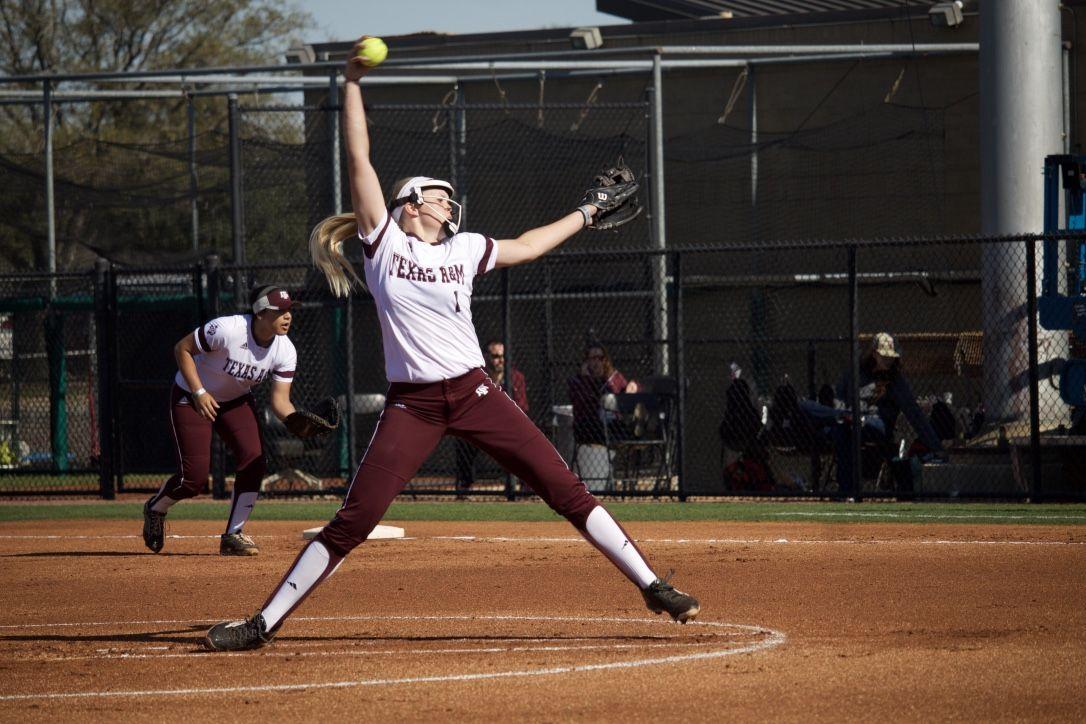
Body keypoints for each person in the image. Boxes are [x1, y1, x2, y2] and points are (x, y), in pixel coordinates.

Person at [203, 38, 698, 651]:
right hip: (412, 403)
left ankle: (652, 584)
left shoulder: (464, 250)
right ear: (411, 205)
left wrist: (589, 212)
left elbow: (530, 244)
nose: (447, 202)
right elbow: (358, 160)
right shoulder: (384, 243)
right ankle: (262, 624)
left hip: (474, 391)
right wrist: (352, 82)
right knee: (355, 520)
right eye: (437, 195)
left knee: (564, 488)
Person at [141, 285, 299, 556]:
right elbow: (182, 349)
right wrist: (199, 391)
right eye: (279, 311)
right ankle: (156, 507)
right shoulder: (229, 329)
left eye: (289, 310)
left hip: (235, 400)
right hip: (192, 396)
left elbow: (280, 402)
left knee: (254, 460)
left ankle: (233, 535)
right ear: (260, 313)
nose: (287, 316)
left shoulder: (285, 350)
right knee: (194, 480)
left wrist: (299, 422)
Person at [827, 332, 945, 498]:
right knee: (841, 430)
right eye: (884, 356)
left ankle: (849, 490)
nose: (889, 360)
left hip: (878, 426)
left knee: (851, 427)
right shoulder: (855, 373)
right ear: (874, 354)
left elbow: (913, 412)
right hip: (850, 422)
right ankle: (847, 491)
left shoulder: (895, 380)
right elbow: (839, 398)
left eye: (891, 357)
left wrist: (936, 446)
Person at [454, 339, 529, 495]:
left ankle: (524, 488)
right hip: (479, 426)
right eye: (495, 356)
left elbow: (521, 407)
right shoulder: (476, 377)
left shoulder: (516, 377)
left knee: (524, 439)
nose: (500, 360)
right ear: (486, 357)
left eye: (503, 356)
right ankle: (465, 486)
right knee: (463, 440)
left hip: (507, 426)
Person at [566, 344, 640, 488]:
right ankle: (636, 431)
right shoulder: (578, 381)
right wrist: (587, 379)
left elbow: (628, 391)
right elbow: (584, 402)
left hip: (614, 425)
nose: (596, 362)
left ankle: (641, 428)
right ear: (586, 362)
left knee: (627, 423)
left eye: (600, 358)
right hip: (589, 428)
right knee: (611, 424)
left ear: (605, 360)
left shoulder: (614, 378)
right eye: (592, 358)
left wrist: (634, 385)